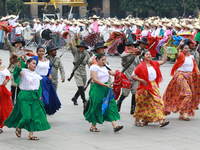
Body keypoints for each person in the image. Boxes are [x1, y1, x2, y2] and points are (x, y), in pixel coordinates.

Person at [4, 58, 51, 140]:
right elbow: (18, 71)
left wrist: (39, 95)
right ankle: (19, 127)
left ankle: (31, 135)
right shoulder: (24, 72)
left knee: (34, 116)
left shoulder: (36, 74)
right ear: (28, 63)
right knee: (27, 116)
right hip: (25, 96)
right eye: (33, 63)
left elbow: (39, 86)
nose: (35, 65)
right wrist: (19, 62)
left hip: (34, 96)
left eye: (36, 64)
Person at [131, 46, 170, 127]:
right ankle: (137, 120)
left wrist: (165, 51)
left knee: (158, 102)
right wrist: (141, 80)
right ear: (143, 57)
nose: (149, 56)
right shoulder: (140, 66)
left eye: (149, 54)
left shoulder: (154, 63)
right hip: (143, 87)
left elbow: (163, 61)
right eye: (147, 54)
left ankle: (161, 121)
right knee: (142, 104)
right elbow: (133, 76)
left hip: (153, 86)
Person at [84, 53, 123, 132]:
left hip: (107, 89)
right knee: (96, 106)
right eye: (102, 60)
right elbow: (95, 80)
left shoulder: (106, 67)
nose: (104, 61)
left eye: (105, 60)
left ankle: (115, 126)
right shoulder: (94, 67)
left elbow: (113, 73)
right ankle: (93, 126)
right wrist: (105, 85)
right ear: (97, 59)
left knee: (111, 105)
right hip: (97, 89)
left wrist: (117, 73)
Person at [163, 40, 200, 121]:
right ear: (182, 50)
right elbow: (176, 52)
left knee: (184, 95)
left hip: (189, 77)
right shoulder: (180, 55)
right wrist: (179, 45)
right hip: (180, 76)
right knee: (188, 94)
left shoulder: (191, 57)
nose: (187, 49)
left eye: (188, 48)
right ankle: (183, 111)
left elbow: (195, 67)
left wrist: (197, 72)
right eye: (185, 48)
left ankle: (182, 113)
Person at [32, 46, 61, 115]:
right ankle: (38, 115)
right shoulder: (34, 59)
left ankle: (43, 113)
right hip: (36, 81)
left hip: (45, 81)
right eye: (40, 51)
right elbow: (27, 64)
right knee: (38, 99)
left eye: (42, 51)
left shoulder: (47, 60)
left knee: (46, 101)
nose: (41, 52)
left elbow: (49, 69)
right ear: (37, 52)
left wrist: (50, 74)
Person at [117, 41, 140, 114]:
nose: (131, 47)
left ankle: (133, 107)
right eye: (129, 46)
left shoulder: (136, 57)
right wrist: (131, 53)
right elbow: (122, 56)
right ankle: (119, 102)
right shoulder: (125, 54)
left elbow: (139, 65)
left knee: (135, 92)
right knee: (125, 93)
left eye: (132, 46)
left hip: (135, 77)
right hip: (126, 77)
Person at [4, 31, 27, 105]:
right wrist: (5, 34)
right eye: (18, 43)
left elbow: (26, 61)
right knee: (14, 84)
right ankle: (12, 99)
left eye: (20, 43)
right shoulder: (12, 49)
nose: (19, 44)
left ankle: (18, 100)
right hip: (12, 70)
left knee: (19, 85)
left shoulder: (23, 51)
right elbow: (7, 42)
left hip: (20, 71)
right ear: (15, 43)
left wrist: (23, 59)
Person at [68, 31, 90, 107]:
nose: (81, 48)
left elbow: (89, 64)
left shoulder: (87, 55)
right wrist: (70, 37)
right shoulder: (75, 52)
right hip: (76, 70)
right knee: (80, 85)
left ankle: (75, 97)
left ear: (85, 48)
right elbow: (71, 46)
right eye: (80, 47)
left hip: (83, 71)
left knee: (82, 87)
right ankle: (84, 101)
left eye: (83, 47)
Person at [0, 57, 13, 133]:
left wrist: (7, 80)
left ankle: (0, 126)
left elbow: (7, 77)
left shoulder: (4, 70)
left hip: (2, 90)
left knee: (3, 108)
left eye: (1, 60)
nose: (0, 61)